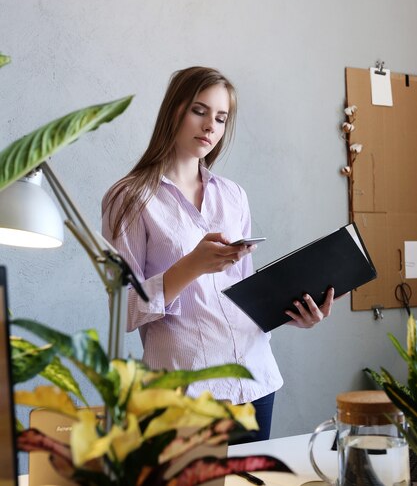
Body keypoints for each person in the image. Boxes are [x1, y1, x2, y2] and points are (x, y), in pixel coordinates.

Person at [102, 66, 334, 442]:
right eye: (200, 110)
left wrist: (294, 313)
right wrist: (190, 266)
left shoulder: (233, 195)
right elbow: (124, 309)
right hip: (185, 392)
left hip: (255, 381)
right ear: (173, 110)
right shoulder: (129, 198)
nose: (211, 126)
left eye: (221, 118)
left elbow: (247, 291)